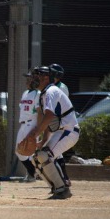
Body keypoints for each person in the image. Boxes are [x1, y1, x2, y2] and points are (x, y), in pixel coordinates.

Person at [25, 66, 79, 199]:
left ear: (45, 78)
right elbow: (50, 124)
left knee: (45, 155)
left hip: (69, 131)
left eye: (36, 76)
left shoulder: (51, 91)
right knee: (36, 158)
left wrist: (35, 134)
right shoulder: (43, 94)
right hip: (60, 132)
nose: (33, 79)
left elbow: (49, 116)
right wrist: (42, 142)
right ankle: (57, 188)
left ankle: (62, 189)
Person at [15, 70, 40, 182]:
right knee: (19, 151)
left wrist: (38, 128)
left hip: (32, 123)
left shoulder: (38, 94)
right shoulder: (25, 93)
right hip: (23, 124)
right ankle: (33, 172)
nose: (27, 81)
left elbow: (40, 112)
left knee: (31, 151)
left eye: (29, 79)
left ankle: (32, 174)